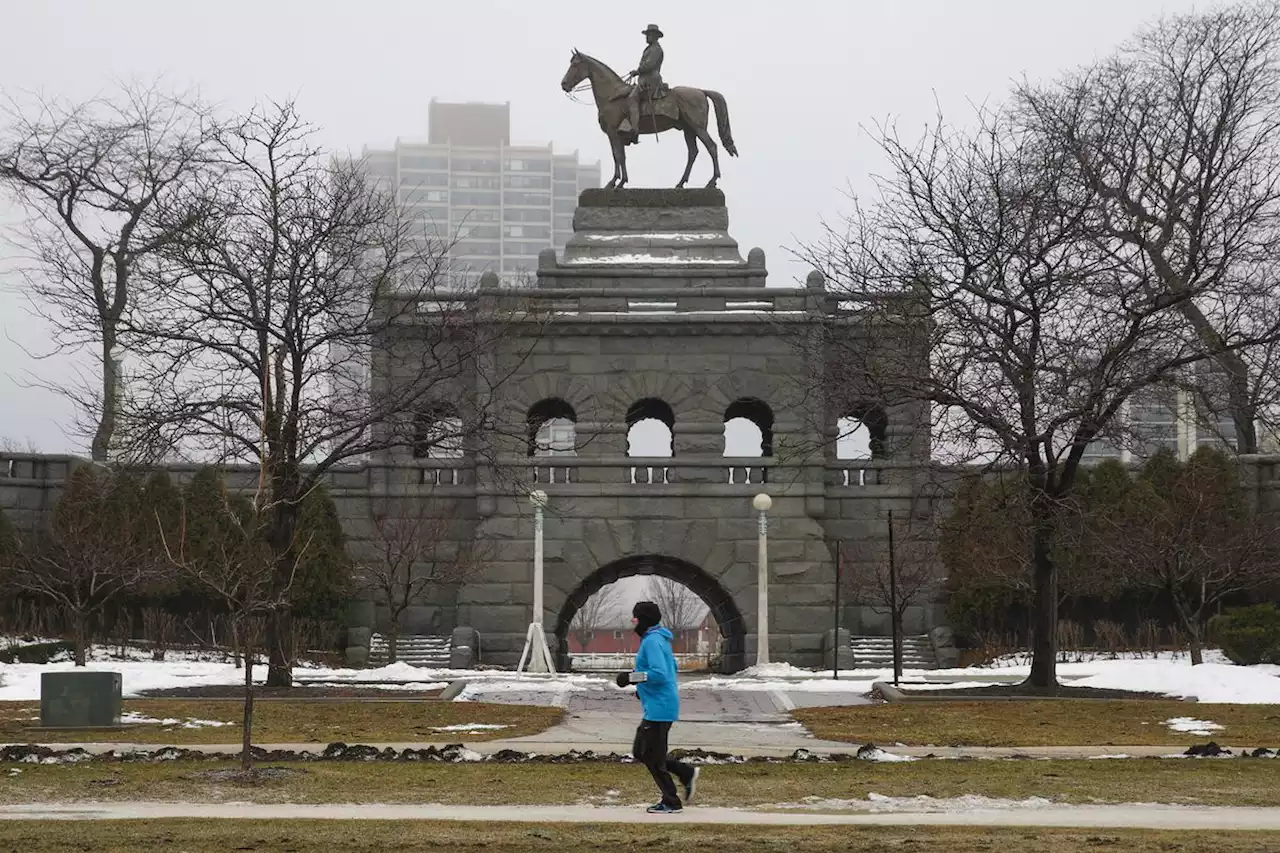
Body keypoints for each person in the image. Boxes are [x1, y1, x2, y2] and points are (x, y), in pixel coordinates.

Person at [616, 599, 700, 814]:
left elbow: (660, 674)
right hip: (659, 704)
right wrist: (642, 691)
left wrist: (630, 678)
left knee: (652, 757)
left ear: (642, 620)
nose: (632, 621)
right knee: (641, 751)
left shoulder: (652, 641)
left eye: (634, 617)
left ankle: (671, 801)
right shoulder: (659, 639)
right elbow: (670, 670)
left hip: (659, 708)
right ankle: (685, 772)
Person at [625, 24, 666, 145]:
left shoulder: (656, 49)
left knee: (632, 98)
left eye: (649, 35)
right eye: (647, 35)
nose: (647, 37)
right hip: (645, 78)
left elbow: (649, 65)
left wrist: (637, 71)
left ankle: (635, 130)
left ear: (655, 36)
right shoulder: (650, 49)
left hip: (650, 80)